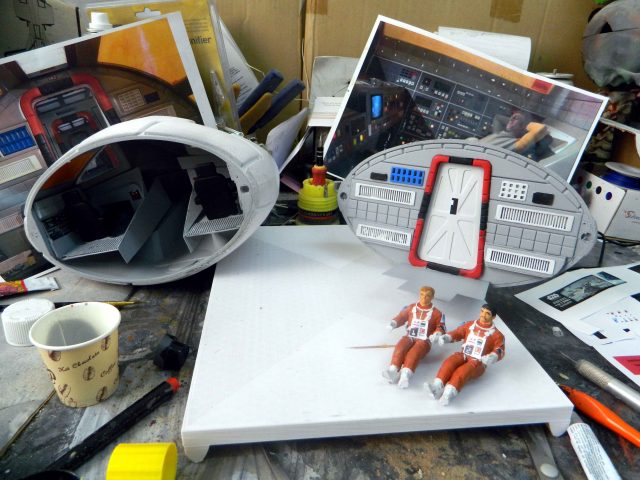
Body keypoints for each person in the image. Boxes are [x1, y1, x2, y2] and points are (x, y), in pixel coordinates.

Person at [426, 303, 505, 405]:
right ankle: (437, 386)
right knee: (450, 362)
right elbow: (458, 332)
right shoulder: (470, 325)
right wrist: (447, 337)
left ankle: (449, 393)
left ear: (493, 317)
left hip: (478, 362)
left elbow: (500, 349)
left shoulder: (497, 335)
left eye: (487, 313)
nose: (483, 315)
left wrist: (492, 357)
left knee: (463, 370)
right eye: (482, 311)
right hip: (464, 354)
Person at [382, 286, 445, 389]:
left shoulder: (437, 313)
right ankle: (393, 369)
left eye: (427, 296)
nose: (424, 298)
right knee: (400, 347)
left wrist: (437, 334)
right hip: (410, 336)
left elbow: (441, 326)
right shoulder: (411, 308)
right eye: (422, 295)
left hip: (424, 340)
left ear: (432, 297)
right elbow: (401, 317)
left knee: (414, 353)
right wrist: (393, 323)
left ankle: (405, 375)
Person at [481, 111, 552, 160]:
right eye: (511, 118)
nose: (511, 119)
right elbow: (498, 117)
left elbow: (540, 129)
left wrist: (523, 124)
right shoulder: (501, 134)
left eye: (516, 119)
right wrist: (519, 121)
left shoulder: (513, 143)